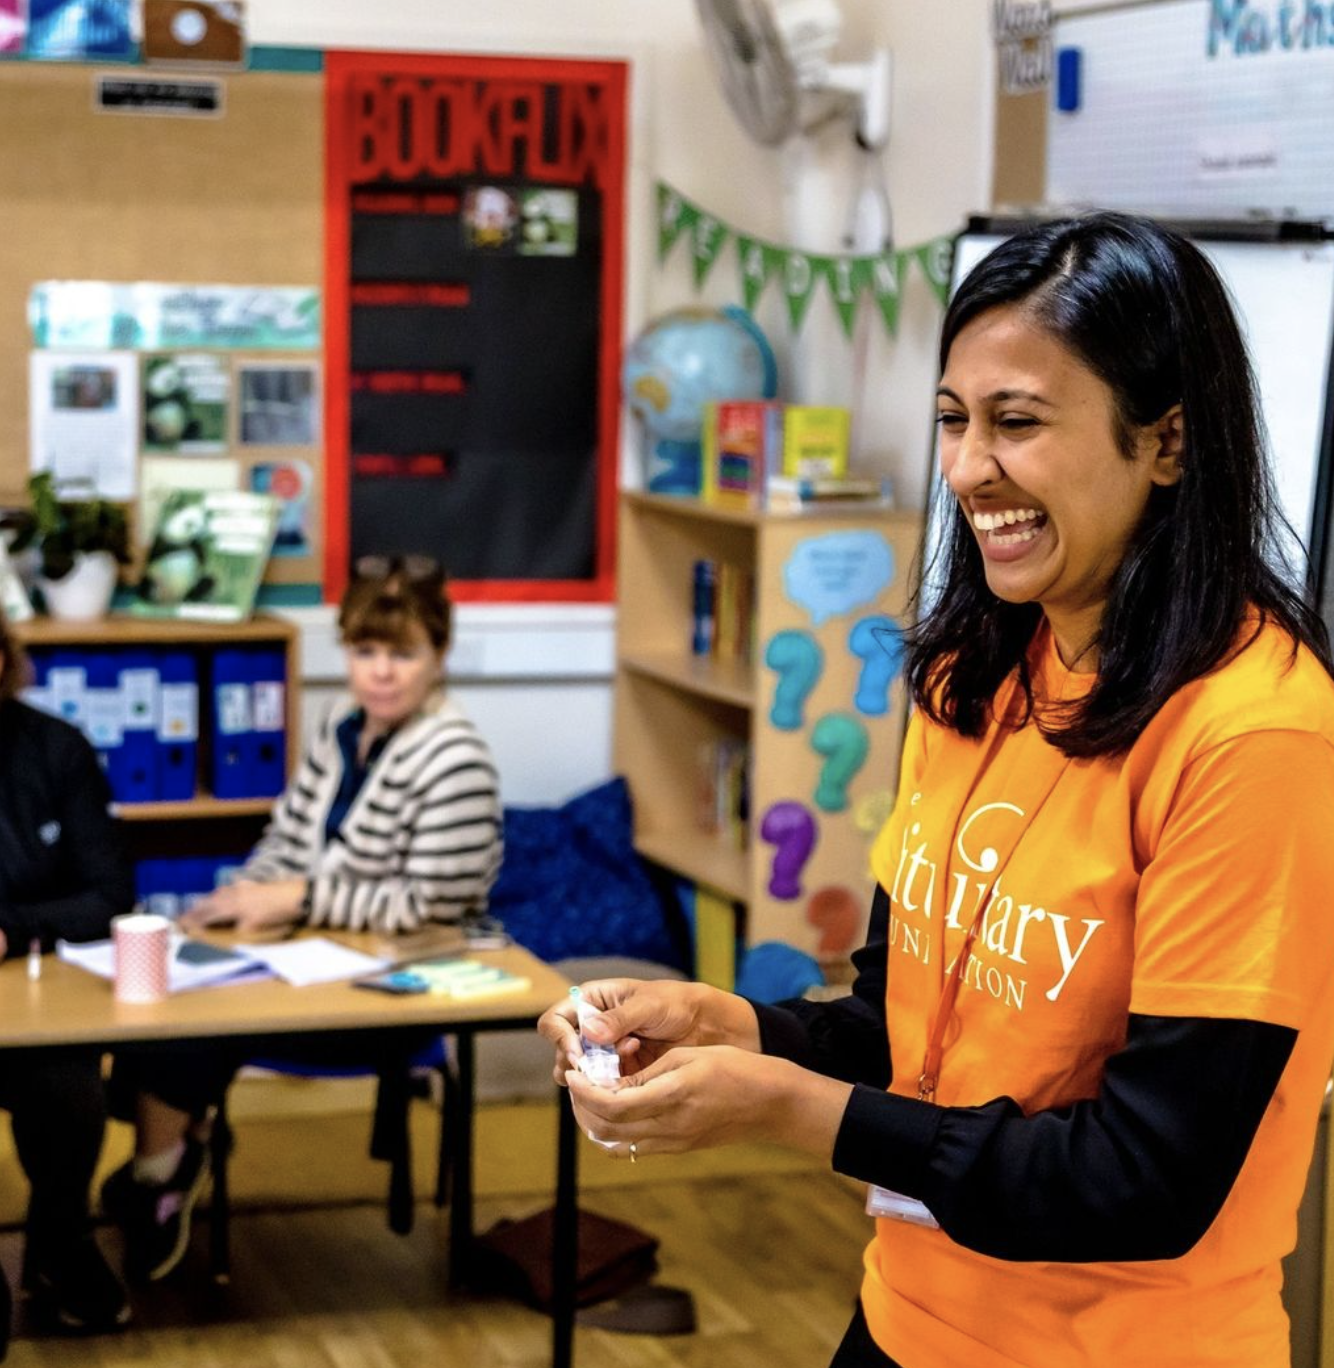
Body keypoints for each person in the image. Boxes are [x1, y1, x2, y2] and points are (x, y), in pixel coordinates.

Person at [538, 211, 1334, 1368]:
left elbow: (1146, 1177)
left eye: (1015, 423)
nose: (966, 470)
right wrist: (737, 1029)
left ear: (1164, 442)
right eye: (952, 423)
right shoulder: (972, 674)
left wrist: (782, 1111)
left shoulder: (1254, 731)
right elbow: (896, 1029)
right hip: (909, 1320)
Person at [104, 555, 503, 1283]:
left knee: (196, 1023)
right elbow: (285, 841)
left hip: (401, 978)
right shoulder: (343, 727)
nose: (380, 672)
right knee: (165, 996)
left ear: (438, 656)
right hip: (315, 958)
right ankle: (174, 1155)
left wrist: (294, 901)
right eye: (365, 651)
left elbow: (430, 904)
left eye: (402, 653)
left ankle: (159, 1175)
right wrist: (232, 907)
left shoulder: (456, 757)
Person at [0, 605, 135, 1335]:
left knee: (71, 1095)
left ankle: (60, 1237)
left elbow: (111, 895)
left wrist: (13, 928)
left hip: (38, 992)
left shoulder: (58, 750)